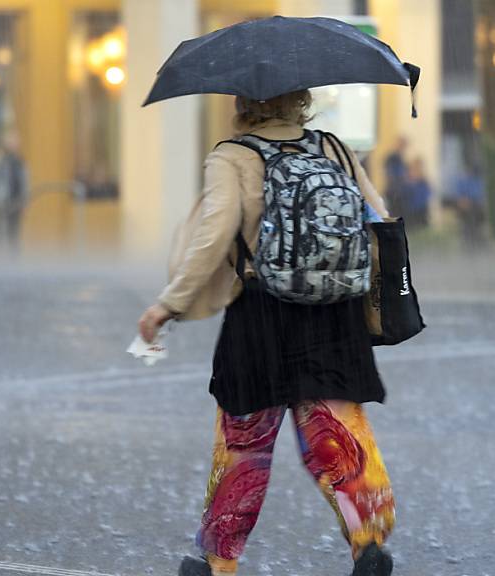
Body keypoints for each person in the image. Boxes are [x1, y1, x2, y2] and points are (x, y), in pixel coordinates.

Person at [137, 89, 396, 576]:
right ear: (300, 99)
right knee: (338, 428)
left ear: (242, 102)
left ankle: (218, 562)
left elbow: (215, 233)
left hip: (261, 313)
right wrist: (377, 305)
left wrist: (169, 302)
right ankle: (368, 540)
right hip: (333, 313)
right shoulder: (334, 148)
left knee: (244, 443)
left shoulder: (233, 156)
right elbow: (376, 221)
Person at [0, 128, 28, 255]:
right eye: (12, 141)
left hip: (16, 202)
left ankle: (13, 257)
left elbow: (24, 182)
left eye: (16, 141)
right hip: (1, 202)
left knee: (13, 233)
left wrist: (24, 202)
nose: (15, 144)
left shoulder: (20, 162)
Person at [382, 135, 409, 218]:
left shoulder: (401, 158)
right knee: (393, 213)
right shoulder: (392, 157)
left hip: (400, 191)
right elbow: (390, 173)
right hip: (393, 191)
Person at [403, 157, 432, 229]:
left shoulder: (423, 181)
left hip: (421, 209)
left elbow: (427, 193)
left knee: (422, 227)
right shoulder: (407, 182)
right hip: (411, 210)